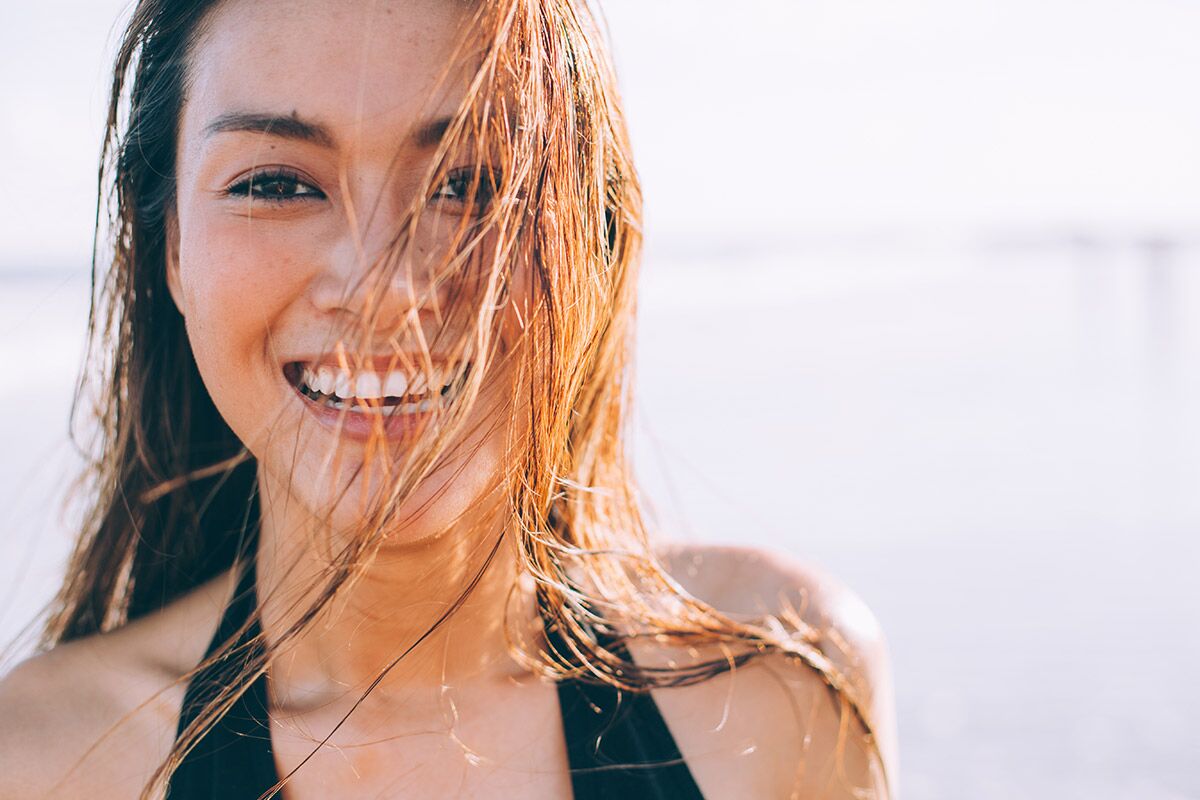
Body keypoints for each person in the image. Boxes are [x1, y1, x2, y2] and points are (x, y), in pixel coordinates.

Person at [0, 1, 896, 797]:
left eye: (472, 183)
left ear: (592, 234)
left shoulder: (778, 685)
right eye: (275, 184)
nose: (383, 285)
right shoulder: (43, 763)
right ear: (172, 255)